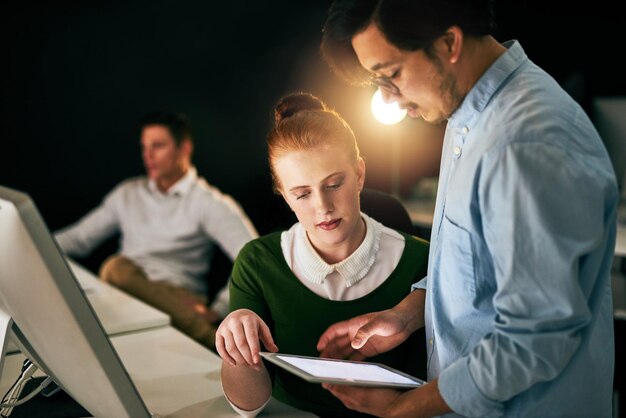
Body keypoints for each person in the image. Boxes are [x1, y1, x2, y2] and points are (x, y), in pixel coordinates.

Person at [315, 1, 619, 417]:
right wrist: (405, 316)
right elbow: (478, 266)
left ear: (448, 43)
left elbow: (532, 341)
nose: (389, 98)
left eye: (392, 75)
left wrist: (402, 409)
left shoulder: (525, 143)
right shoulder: (468, 112)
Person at [215, 92, 429, 418]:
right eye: (301, 194)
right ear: (284, 196)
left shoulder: (423, 261)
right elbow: (248, 406)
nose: (322, 207)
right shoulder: (257, 263)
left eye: (333, 184)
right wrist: (236, 343)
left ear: (359, 174)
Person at [55, 110, 258, 349]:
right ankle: (208, 338)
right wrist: (28, 246)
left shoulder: (208, 202)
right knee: (113, 274)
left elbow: (253, 257)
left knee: (115, 268)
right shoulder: (128, 193)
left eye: (158, 146)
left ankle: (207, 336)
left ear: (184, 149)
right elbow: (79, 238)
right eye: (144, 147)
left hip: (179, 298)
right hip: (121, 295)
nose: (148, 155)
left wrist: (219, 309)